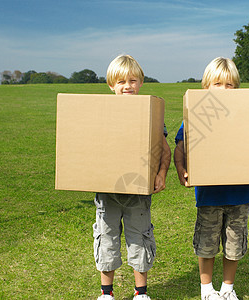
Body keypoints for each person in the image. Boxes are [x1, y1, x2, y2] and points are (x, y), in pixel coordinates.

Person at [174, 57, 249, 300]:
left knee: (234, 244)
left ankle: (227, 288)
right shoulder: (197, 117)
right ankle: (206, 290)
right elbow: (181, 147)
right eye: (218, 84)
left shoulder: (248, 116)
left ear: (237, 88)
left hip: (241, 194)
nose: (224, 89)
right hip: (210, 194)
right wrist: (181, 169)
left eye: (229, 85)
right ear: (206, 87)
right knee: (207, 243)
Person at [94, 54, 171, 300]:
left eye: (133, 80)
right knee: (107, 238)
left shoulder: (150, 112)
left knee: (139, 237)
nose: (127, 86)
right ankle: (106, 293)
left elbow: (164, 149)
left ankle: (141, 293)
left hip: (138, 192)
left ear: (141, 83)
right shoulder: (100, 113)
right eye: (121, 82)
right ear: (111, 85)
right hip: (107, 192)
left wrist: (160, 174)